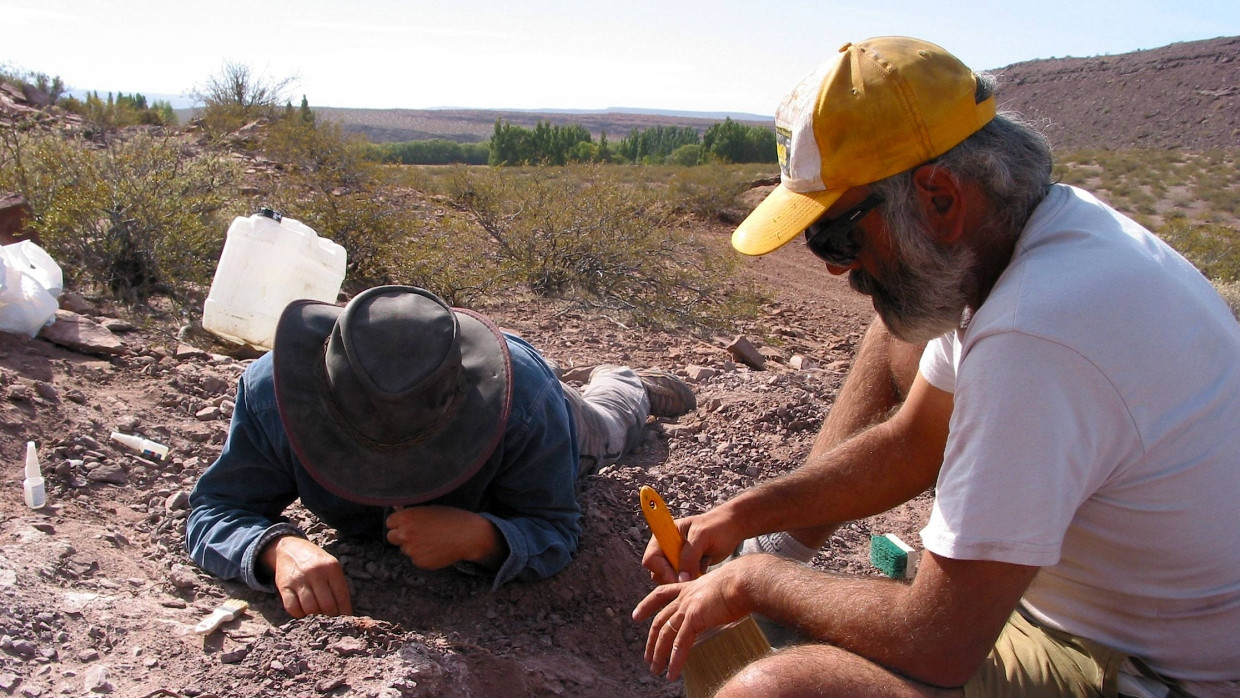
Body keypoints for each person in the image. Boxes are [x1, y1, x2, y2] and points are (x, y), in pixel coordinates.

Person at [633, 36, 1240, 697]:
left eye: (840, 236)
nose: (836, 266)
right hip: (1077, 618)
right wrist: (744, 517)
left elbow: (938, 644)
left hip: (1152, 674)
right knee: (894, 330)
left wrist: (752, 584)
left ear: (942, 197)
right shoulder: (1036, 242)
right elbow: (912, 442)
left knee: (776, 691)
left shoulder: (1035, 335)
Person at [186, 285, 695, 619]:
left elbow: (554, 528)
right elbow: (214, 509)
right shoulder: (274, 394)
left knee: (608, 427)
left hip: (528, 390)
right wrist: (279, 548)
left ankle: (628, 382)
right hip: (479, 372)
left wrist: (483, 536)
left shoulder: (524, 405)